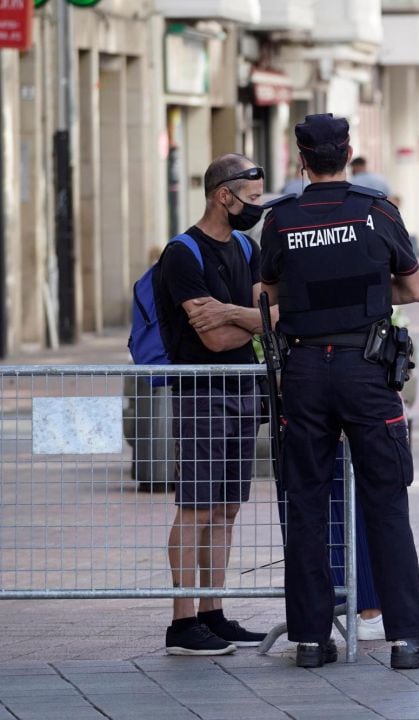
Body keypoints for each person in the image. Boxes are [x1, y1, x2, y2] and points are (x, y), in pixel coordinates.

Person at [259, 114, 419, 670]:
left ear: (301, 160)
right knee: (386, 500)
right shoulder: (376, 210)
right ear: (347, 153)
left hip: (304, 373)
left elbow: (269, 294)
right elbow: (413, 288)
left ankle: (313, 641)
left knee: (307, 504)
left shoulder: (281, 220)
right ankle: (409, 639)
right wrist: (367, 287)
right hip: (365, 371)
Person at [159, 154, 270, 656]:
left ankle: (213, 611)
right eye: (251, 198)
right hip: (201, 393)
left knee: (225, 509)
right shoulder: (182, 253)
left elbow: (272, 315)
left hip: (243, 391)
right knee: (197, 508)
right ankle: (183, 624)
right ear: (223, 194)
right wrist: (247, 318)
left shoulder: (247, 246)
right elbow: (216, 341)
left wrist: (233, 314)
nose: (258, 207)